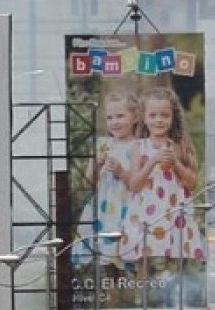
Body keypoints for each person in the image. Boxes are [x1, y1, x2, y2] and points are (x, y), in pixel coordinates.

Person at [125, 87, 204, 281]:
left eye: (164, 115)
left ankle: (173, 298)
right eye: (153, 115)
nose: (158, 120)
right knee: (144, 255)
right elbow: (134, 185)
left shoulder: (180, 145)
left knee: (175, 258)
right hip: (146, 213)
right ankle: (141, 299)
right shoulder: (139, 146)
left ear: (172, 118)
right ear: (144, 117)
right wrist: (152, 161)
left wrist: (175, 163)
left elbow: (192, 183)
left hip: (174, 211)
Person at [80, 89, 139, 271]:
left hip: (127, 207)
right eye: (110, 118)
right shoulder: (103, 145)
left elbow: (137, 183)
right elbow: (87, 183)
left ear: (135, 117)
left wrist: (121, 171)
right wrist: (96, 165)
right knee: (106, 261)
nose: (114, 122)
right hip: (103, 209)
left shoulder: (138, 146)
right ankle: (112, 295)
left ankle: (131, 296)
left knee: (128, 257)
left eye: (120, 116)